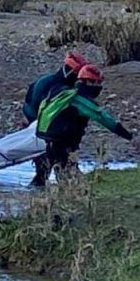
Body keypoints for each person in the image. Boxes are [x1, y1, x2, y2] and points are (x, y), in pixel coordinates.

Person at [36, 64, 133, 182]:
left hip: (48, 138)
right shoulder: (81, 101)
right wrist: (128, 136)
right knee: (69, 174)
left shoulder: (64, 92)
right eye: (97, 83)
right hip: (63, 141)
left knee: (42, 176)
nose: (99, 87)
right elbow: (105, 119)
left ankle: (38, 195)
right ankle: (70, 196)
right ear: (88, 82)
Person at [23, 52, 88, 186]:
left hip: (53, 129)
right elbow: (32, 106)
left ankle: (56, 184)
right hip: (42, 127)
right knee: (47, 165)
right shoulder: (50, 85)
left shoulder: (61, 86)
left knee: (52, 164)